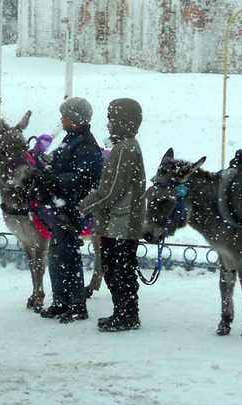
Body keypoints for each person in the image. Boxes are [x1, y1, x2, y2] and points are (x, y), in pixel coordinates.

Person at [28, 97, 103, 323]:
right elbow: (57, 163)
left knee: (67, 255)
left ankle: (77, 304)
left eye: (66, 115)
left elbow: (85, 178)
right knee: (59, 254)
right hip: (63, 205)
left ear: (76, 119)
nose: (62, 118)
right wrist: (41, 172)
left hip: (74, 207)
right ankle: (61, 301)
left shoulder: (85, 145)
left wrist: (55, 180)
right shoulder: (71, 140)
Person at [78, 98, 146, 332]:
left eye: (112, 120)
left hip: (122, 224)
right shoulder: (125, 146)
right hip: (117, 223)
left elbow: (113, 189)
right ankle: (123, 312)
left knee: (120, 270)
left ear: (124, 122)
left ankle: (127, 315)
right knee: (115, 268)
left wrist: (84, 206)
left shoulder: (126, 149)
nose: (108, 125)